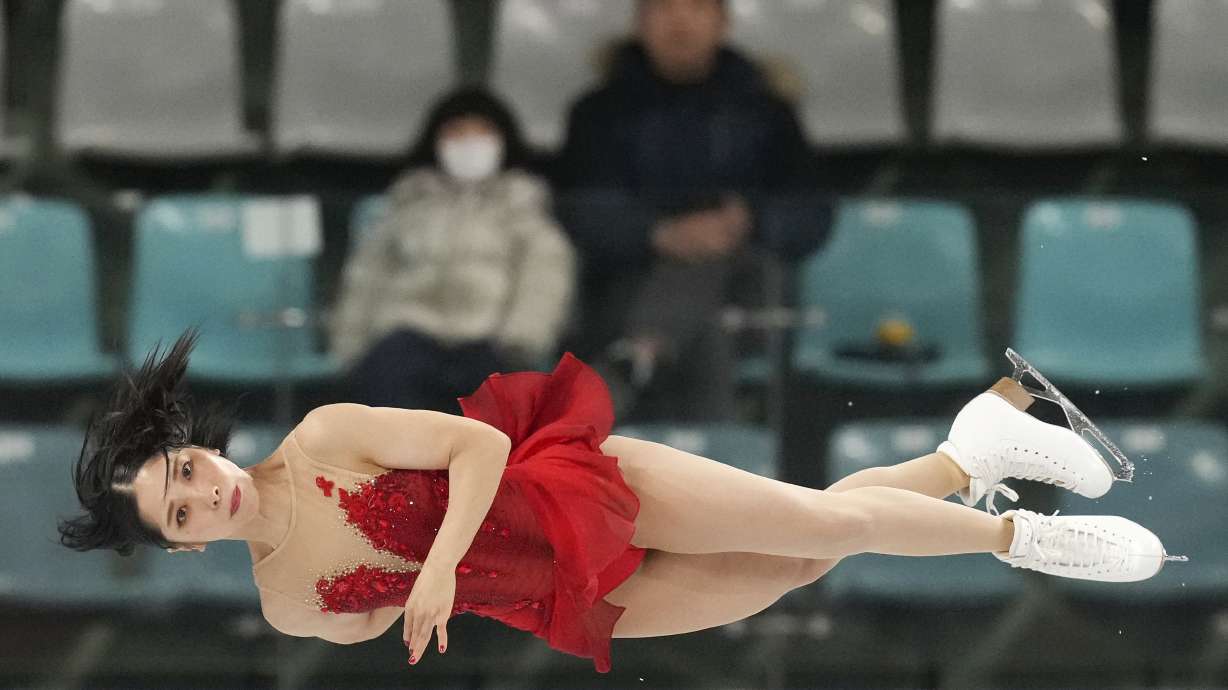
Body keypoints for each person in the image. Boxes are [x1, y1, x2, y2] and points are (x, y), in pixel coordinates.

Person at [59, 330, 1180, 673]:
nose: (206, 489)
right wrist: (444, 591)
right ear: (182, 544)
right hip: (568, 598)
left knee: (822, 522)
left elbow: (470, 450)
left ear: (194, 448)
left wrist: (441, 562)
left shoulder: (320, 440)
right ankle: (973, 447)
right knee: (800, 562)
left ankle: (1021, 532)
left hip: (579, 491)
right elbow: (386, 622)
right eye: (183, 510)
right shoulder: (287, 608)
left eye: (187, 469)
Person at [553, 0, 830, 421]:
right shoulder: (597, 115)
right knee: (707, 321)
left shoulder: (766, 112)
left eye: (697, 7)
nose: (680, 21)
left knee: (707, 271)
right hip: (629, 291)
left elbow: (811, 214)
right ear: (640, 22)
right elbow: (579, 213)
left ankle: (639, 356)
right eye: (664, 8)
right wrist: (658, 236)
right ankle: (713, 460)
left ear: (723, 22)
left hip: (751, 294)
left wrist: (748, 223)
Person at [329, 87, 576, 412]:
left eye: (482, 132)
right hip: (407, 338)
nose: (470, 144)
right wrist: (353, 348)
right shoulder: (405, 206)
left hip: (489, 344)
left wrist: (520, 340)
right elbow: (366, 277)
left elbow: (544, 277)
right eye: (457, 133)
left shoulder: (524, 209)